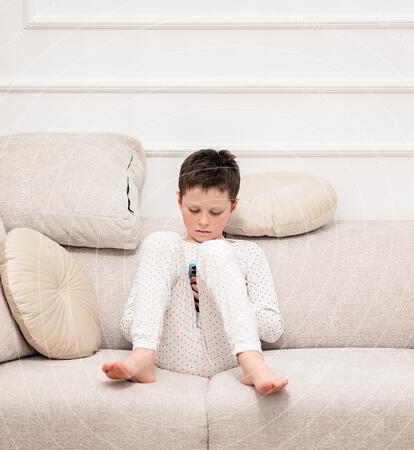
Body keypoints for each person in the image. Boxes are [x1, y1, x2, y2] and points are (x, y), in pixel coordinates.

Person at [101, 149, 288, 395]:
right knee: (159, 240)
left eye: (215, 212)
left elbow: (273, 329)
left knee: (216, 251)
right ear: (180, 201)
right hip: (170, 353)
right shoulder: (166, 253)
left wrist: (221, 299)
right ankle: (142, 358)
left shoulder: (248, 253)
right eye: (194, 210)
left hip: (228, 357)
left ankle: (254, 365)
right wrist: (166, 301)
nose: (203, 221)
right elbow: (127, 325)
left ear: (233, 207)